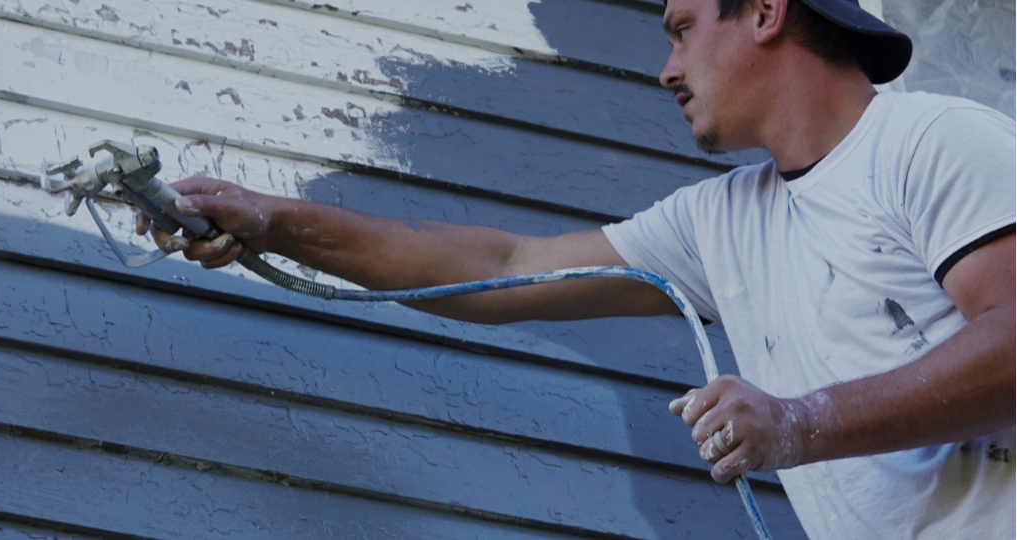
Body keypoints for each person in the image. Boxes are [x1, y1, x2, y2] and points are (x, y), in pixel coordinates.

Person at [138, 0, 1016, 536]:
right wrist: (273, 221)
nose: (666, 69)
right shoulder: (724, 218)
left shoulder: (929, 142)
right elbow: (506, 266)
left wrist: (797, 421)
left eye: (680, 29)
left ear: (765, 11)